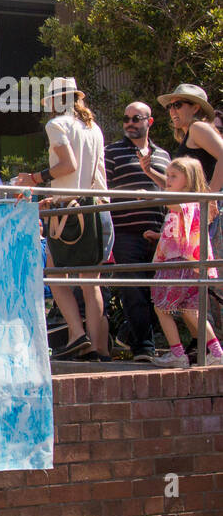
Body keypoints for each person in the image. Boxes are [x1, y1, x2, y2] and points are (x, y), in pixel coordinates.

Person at [12, 77, 111, 361]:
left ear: (58, 100)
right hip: (97, 208)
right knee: (91, 282)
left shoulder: (57, 125)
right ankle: (95, 346)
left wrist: (35, 178)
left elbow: (68, 166)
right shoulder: (93, 128)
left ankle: (78, 336)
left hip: (70, 211)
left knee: (54, 275)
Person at [105, 102, 171, 362]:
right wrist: (131, 196)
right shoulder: (111, 152)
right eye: (126, 119)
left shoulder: (163, 155)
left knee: (161, 289)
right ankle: (143, 347)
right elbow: (103, 189)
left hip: (161, 232)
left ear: (149, 122)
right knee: (133, 289)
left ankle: (129, 333)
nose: (130, 123)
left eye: (136, 118)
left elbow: (172, 190)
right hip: (126, 232)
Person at [147, 158, 222, 367]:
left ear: (188, 179)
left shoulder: (188, 201)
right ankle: (216, 351)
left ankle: (177, 353)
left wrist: (149, 195)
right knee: (191, 310)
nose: (167, 180)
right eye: (167, 175)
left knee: (162, 308)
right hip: (190, 265)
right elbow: (181, 229)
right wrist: (157, 235)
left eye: (173, 176)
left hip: (178, 264)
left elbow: (175, 205)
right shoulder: (194, 202)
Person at [150, 84, 223, 264]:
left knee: (210, 270)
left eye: (178, 105)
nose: (172, 110)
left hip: (210, 210)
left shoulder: (198, 128)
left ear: (195, 108)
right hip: (197, 211)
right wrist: (148, 171)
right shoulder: (187, 135)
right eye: (170, 106)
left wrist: (210, 196)